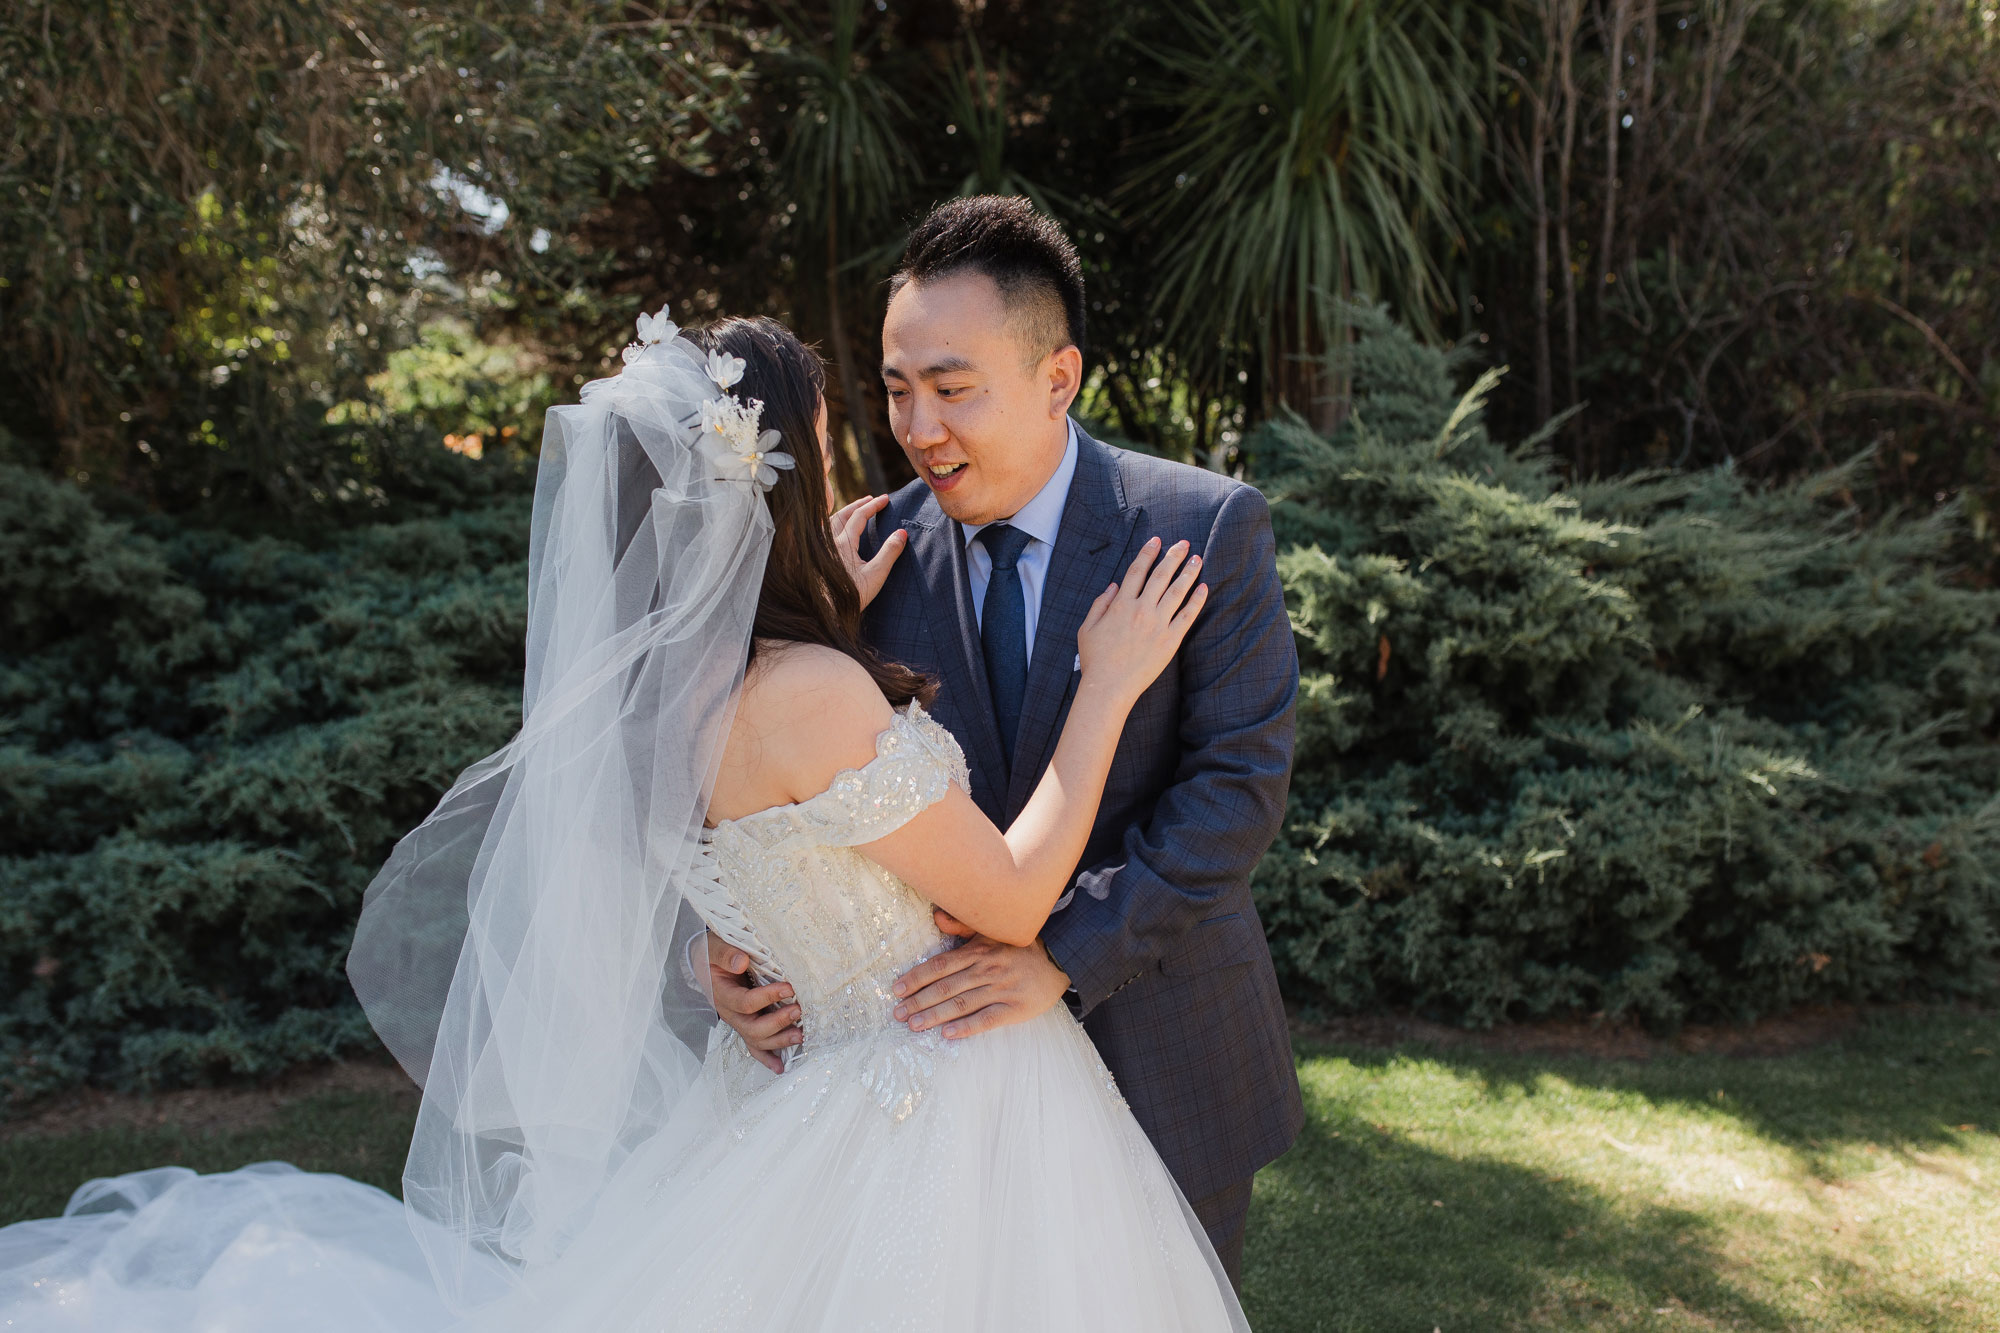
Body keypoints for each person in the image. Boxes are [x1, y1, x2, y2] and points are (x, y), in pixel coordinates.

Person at [0, 309, 1249, 1331]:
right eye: (820, 437)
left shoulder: (674, 696)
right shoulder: (804, 691)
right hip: (932, 1093)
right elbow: (1014, 898)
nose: (857, 453)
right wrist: (1108, 687)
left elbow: (766, 850)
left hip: (803, 1086)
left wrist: (834, 633)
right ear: (761, 478)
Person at [704, 195, 1303, 1284]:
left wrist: (1060, 956)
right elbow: (779, 796)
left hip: (1169, 1049)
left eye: (951, 388)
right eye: (895, 390)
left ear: (1057, 378)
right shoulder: (866, 558)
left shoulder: (1200, 528)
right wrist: (733, 953)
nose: (918, 427)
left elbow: (1237, 789)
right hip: (941, 1103)